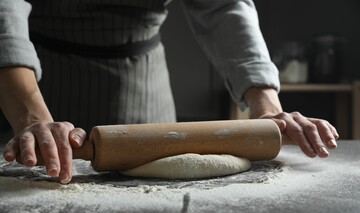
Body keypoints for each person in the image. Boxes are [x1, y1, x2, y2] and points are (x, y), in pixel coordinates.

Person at [0, 0, 338, 184]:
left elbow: (223, 7)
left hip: (144, 82)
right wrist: (30, 116)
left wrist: (266, 107)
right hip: (36, 82)